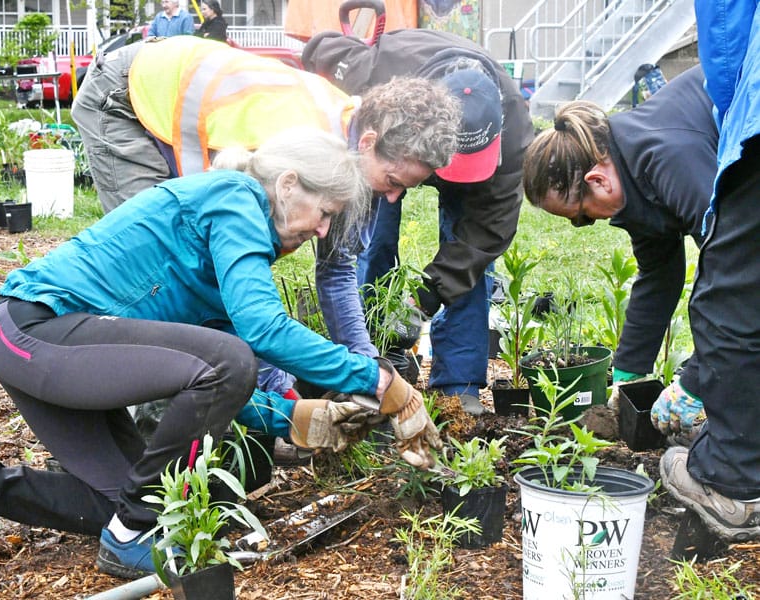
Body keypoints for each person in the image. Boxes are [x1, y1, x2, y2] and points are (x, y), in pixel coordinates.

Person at [0, 128, 442, 580]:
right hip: (34, 330)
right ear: (287, 184)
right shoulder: (235, 197)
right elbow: (257, 336)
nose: (323, 230)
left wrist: (297, 419)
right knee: (225, 368)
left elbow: (213, 378)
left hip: (60, 352)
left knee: (131, 502)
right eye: (324, 213)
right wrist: (378, 380)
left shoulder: (222, 260)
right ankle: (132, 536)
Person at [72, 35, 459, 400]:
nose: (392, 198)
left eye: (404, 189)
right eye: (392, 182)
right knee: (161, 265)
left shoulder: (353, 162)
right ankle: (122, 400)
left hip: (183, 91)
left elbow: (338, 269)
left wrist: (369, 366)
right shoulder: (288, 149)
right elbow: (225, 280)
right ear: (368, 143)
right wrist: (281, 392)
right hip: (129, 95)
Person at [302, 28, 535, 414]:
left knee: (471, 264)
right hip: (394, 148)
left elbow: (486, 232)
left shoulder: (512, 133)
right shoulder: (382, 79)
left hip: (480, 176)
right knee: (373, 235)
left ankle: (459, 384)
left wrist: (424, 297)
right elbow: (320, 49)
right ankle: (371, 354)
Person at [521, 65, 717, 401]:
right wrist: (629, 371)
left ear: (597, 181)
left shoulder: (668, 158)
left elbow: (735, 266)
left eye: (582, 217)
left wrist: (696, 381)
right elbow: (659, 275)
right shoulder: (630, 169)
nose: (589, 223)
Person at [655, 0, 760, 543]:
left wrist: (695, 377)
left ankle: (732, 484)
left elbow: (725, 27)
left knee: (727, 300)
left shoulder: (664, 159)